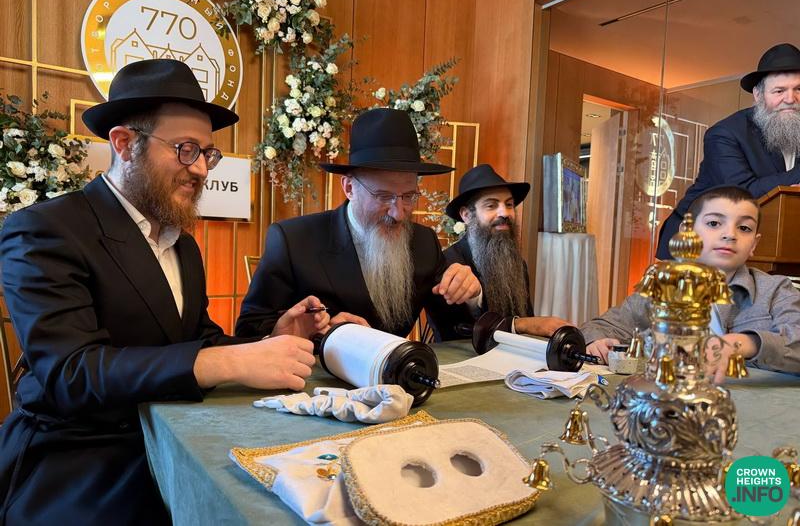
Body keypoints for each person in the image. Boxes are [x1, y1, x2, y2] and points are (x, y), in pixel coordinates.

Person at [0, 59, 328, 525]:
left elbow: (198, 341)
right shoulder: (45, 229)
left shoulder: (182, 244)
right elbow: (71, 373)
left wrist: (270, 339)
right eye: (185, 149)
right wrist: (226, 362)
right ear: (124, 143)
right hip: (79, 457)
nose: (201, 169)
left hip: (173, 436)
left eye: (207, 154)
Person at [236, 108, 482, 339]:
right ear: (349, 187)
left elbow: (453, 328)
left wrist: (471, 295)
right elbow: (250, 329)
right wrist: (320, 337)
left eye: (408, 196)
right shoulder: (293, 240)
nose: (398, 213)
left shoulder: (424, 242)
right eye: (383, 196)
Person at [584, 186, 800, 382]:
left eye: (744, 228)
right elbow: (599, 326)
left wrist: (742, 344)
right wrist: (598, 342)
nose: (730, 234)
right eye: (714, 223)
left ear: (754, 243)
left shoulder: (776, 290)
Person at [657, 43, 800, 259]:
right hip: (694, 246)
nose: (790, 99)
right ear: (758, 95)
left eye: (798, 89)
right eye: (779, 91)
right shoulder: (725, 133)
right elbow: (744, 193)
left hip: (758, 246)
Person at [429, 164, 571, 341]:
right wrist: (518, 323)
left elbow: (528, 321)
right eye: (491, 205)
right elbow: (455, 333)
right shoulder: (447, 263)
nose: (505, 213)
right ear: (466, 215)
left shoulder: (517, 263)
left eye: (509, 204)